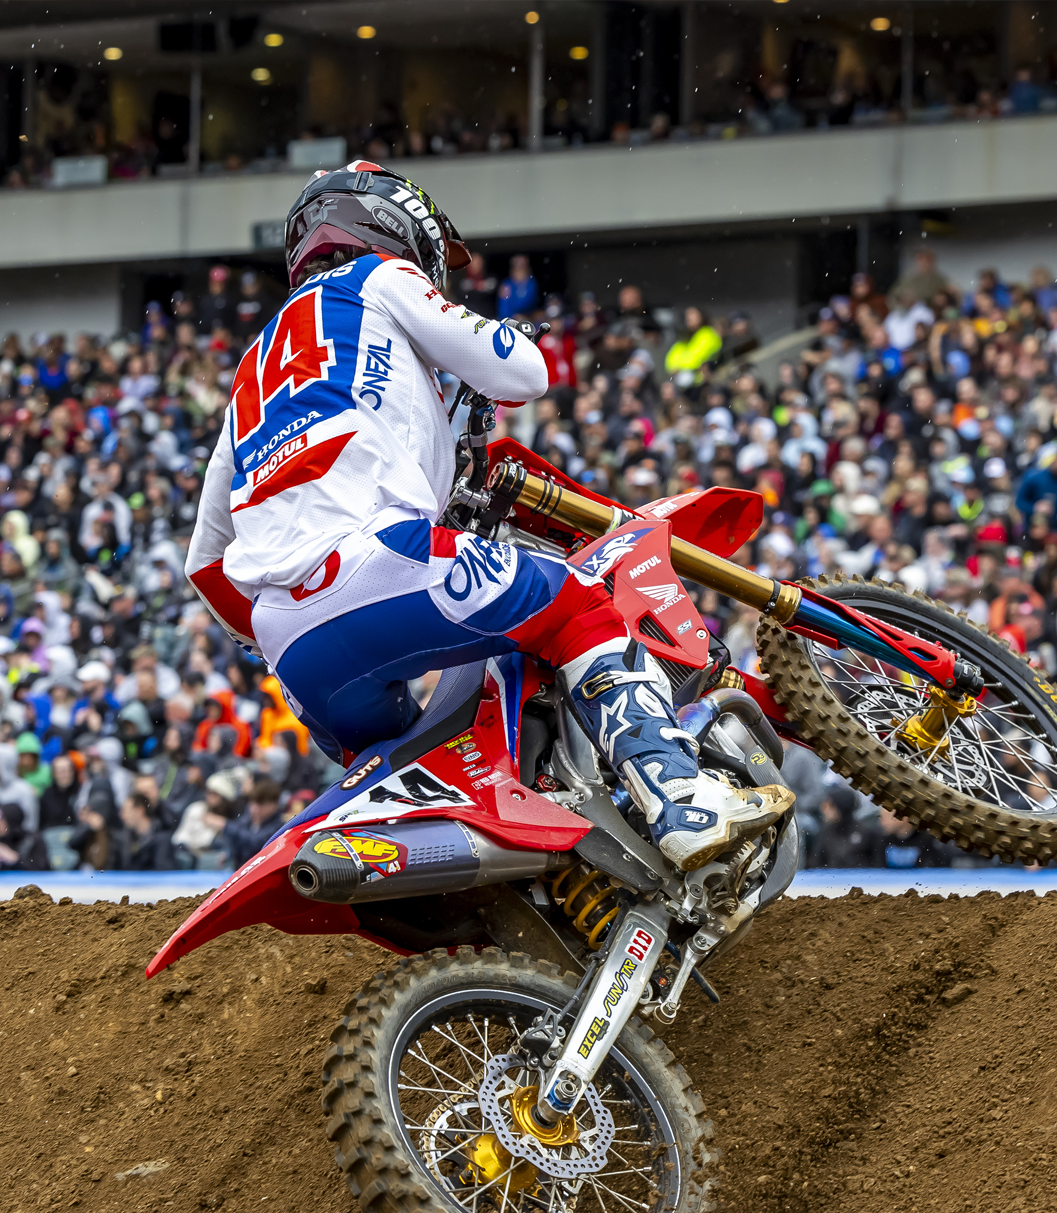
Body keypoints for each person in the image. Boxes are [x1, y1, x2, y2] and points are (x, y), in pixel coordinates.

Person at [184, 160, 793, 873]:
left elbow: (204, 562)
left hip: (291, 642)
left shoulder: (254, 367)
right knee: (582, 606)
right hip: (376, 561)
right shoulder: (377, 278)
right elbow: (522, 374)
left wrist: (283, 626)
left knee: (422, 774)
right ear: (390, 222)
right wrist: (500, 335)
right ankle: (679, 795)